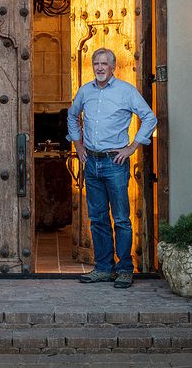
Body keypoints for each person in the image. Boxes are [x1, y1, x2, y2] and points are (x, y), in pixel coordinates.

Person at [67, 48, 157, 288]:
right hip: (91, 163)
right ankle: (104, 268)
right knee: (97, 219)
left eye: (104, 63)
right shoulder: (85, 91)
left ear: (113, 66)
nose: (99, 67)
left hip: (114, 163)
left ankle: (125, 269)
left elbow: (149, 117)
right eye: (96, 63)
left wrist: (132, 147)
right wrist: (78, 145)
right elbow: (72, 115)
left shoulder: (126, 91)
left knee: (121, 220)